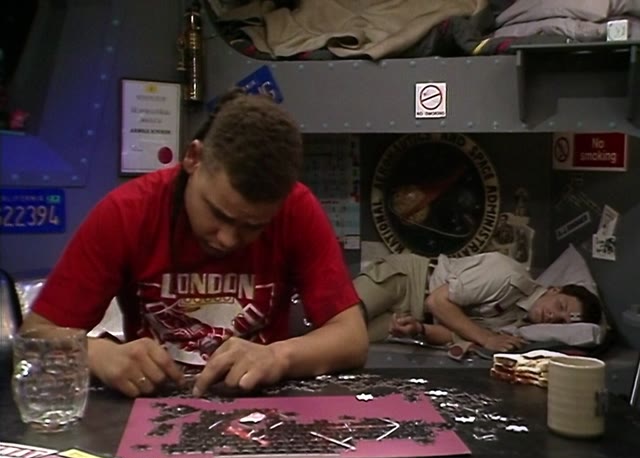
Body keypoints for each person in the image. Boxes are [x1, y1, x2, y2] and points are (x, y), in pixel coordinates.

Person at [22, 90, 368, 397]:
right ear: (193, 158)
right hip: (149, 407)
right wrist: (96, 354)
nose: (228, 239)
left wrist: (278, 356)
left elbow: (352, 338)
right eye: (218, 213)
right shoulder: (127, 213)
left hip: (259, 410)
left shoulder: (297, 209)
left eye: (253, 226)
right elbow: (36, 334)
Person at [354, 251, 601, 352]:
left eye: (560, 322)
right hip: (407, 279)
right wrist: (486, 338)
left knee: (348, 342)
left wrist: (419, 330)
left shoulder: (516, 325)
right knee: (339, 316)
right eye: (560, 306)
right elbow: (437, 301)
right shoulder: (509, 276)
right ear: (554, 289)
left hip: (416, 315)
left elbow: (455, 332)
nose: (553, 316)